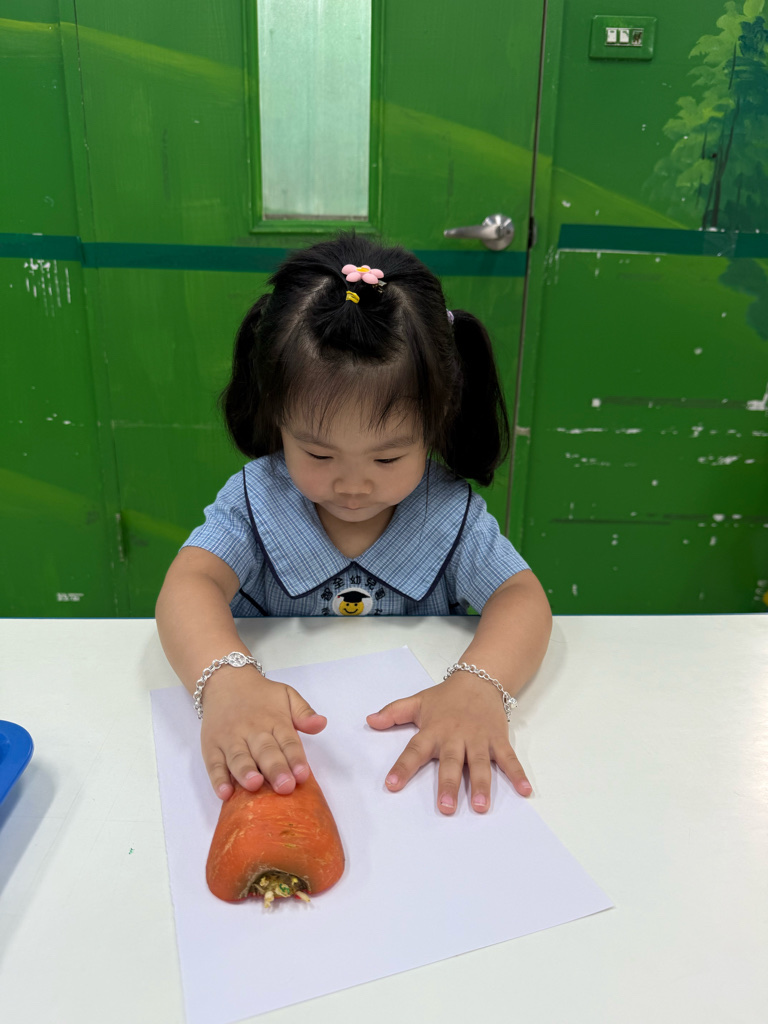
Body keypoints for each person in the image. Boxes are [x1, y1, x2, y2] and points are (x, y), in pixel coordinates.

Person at [156, 233, 552, 816]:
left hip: (406, 790)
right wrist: (225, 680)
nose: (353, 485)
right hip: (289, 762)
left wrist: (480, 684)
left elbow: (521, 596)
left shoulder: (449, 514)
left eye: (388, 458)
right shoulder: (258, 499)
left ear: (437, 423)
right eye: (318, 454)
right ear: (276, 416)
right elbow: (190, 583)